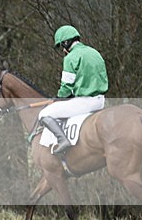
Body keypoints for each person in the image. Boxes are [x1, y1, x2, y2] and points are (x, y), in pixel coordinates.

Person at [38, 25, 109, 154]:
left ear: (66, 42)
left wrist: (58, 98)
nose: (63, 50)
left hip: (84, 102)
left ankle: (63, 140)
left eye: (61, 46)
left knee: (44, 114)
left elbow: (66, 87)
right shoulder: (94, 52)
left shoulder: (70, 58)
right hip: (100, 100)